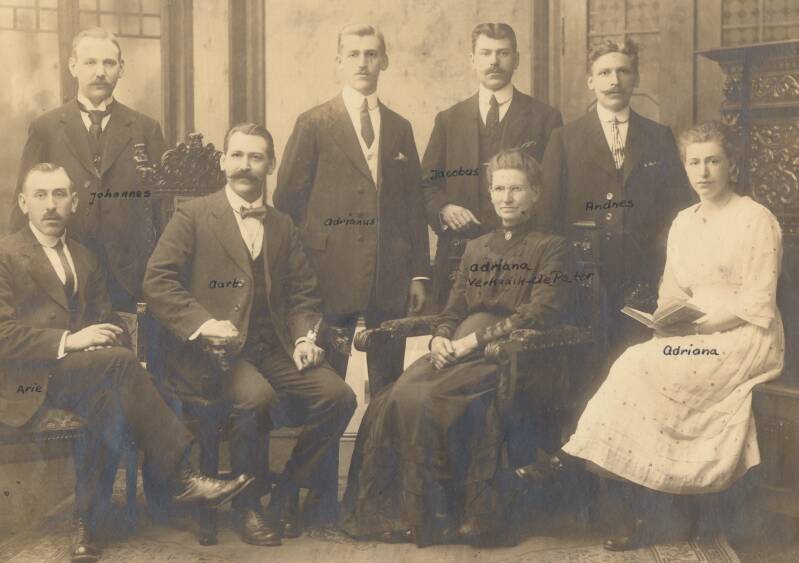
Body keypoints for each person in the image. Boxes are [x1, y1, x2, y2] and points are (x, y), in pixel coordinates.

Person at [518, 121, 785, 550]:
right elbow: (674, 291)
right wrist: (666, 319)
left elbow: (757, 301)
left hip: (743, 334)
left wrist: (698, 327)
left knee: (650, 369)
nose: (703, 172)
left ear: (732, 166)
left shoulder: (755, 219)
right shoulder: (684, 222)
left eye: (713, 161)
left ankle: (577, 466)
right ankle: (642, 502)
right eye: (694, 162)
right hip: (694, 330)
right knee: (635, 364)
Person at [0, 164, 253, 563]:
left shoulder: (85, 257)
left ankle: (84, 523)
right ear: (23, 202)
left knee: (111, 399)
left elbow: (107, 320)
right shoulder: (5, 254)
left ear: (74, 202)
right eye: (41, 195)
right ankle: (180, 476)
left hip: (85, 375)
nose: (51, 205)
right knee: (119, 371)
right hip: (28, 381)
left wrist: (107, 337)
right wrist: (71, 340)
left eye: (60, 194)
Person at [341, 149, 570, 546]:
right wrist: (440, 338)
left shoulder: (552, 247)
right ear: (490, 193)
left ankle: (441, 515)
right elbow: (452, 309)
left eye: (517, 189)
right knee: (393, 396)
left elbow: (539, 313)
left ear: (535, 193)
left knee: (429, 398)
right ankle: (400, 514)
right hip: (456, 349)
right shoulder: (475, 247)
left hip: (508, 356)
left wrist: (471, 342)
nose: (507, 198)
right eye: (499, 189)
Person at [143, 123, 356, 547]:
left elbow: (303, 294)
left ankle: (287, 489)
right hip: (214, 354)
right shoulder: (193, 215)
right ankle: (248, 505)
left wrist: (304, 339)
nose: (245, 165)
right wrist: (204, 324)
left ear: (271, 165)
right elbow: (158, 280)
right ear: (223, 162)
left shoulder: (283, 225)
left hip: (272, 346)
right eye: (237, 155)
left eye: (256, 157)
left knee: (339, 397)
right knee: (256, 398)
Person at [274, 23, 430, 523]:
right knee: (329, 391)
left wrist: (419, 274)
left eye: (372, 54)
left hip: (388, 278)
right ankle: (315, 496)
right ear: (339, 62)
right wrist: (300, 275)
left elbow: (413, 206)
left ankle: (374, 494)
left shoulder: (400, 127)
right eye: (354, 54)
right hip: (327, 278)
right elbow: (287, 204)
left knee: (387, 388)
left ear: (385, 61)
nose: (363, 62)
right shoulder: (314, 123)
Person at [540, 38, 694, 359]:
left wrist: (664, 266)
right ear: (590, 81)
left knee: (639, 359)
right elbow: (547, 216)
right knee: (587, 365)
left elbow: (680, 211)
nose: (614, 81)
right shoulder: (565, 139)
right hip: (584, 277)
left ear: (635, 79)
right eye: (604, 72)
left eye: (623, 72)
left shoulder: (658, 136)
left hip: (644, 276)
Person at [13, 27, 166, 313]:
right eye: (90, 62)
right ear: (73, 66)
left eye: (109, 63)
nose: (100, 72)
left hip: (129, 279)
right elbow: (22, 207)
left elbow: (162, 209)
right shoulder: (45, 128)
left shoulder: (146, 129)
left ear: (121, 68)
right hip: (63, 274)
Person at [423, 23, 562, 306]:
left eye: (503, 53)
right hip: (459, 255)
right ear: (472, 59)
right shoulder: (449, 120)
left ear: (516, 59)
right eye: (485, 53)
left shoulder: (545, 118)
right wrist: (444, 209)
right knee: (451, 328)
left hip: (524, 257)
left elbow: (553, 188)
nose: (494, 62)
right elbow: (426, 185)